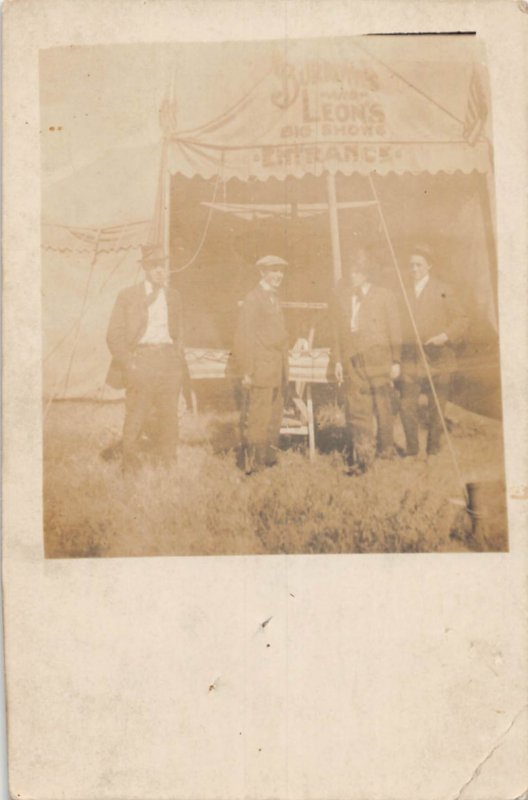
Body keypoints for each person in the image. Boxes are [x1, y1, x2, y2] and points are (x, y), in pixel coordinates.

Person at [106, 244, 185, 475]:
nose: (160, 270)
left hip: (168, 362)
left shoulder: (173, 296)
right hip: (141, 362)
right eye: (154, 266)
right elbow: (113, 335)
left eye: (163, 266)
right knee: (136, 415)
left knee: (169, 415)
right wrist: (129, 363)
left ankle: (167, 465)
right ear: (145, 269)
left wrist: (178, 362)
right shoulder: (128, 295)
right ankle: (129, 467)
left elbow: (178, 333)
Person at [331, 246, 401, 474]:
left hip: (379, 359)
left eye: (358, 271)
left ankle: (386, 451)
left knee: (383, 407)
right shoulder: (344, 298)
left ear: (367, 273)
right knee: (358, 409)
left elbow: (395, 330)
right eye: (351, 271)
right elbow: (338, 332)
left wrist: (396, 361)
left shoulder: (384, 296)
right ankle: (363, 459)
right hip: (354, 360)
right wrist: (339, 361)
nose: (352, 275)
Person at [399, 243, 469, 457]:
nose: (414, 269)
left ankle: (433, 451)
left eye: (419, 265)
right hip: (412, 359)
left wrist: (445, 336)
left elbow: (462, 319)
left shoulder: (443, 289)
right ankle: (412, 451)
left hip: (439, 358)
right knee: (406, 405)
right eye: (411, 265)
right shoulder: (403, 291)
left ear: (429, 266)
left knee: (436, 408)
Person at [234, 255, 289, 474]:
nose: (278, 275)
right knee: (259, 418)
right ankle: (255, 465)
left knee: (274, 417)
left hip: (277, 368)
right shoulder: (254, 298)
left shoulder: (273, 298)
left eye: (281, 271)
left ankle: (269, 459)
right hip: (262, 368)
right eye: (273, 271)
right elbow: (243, 336)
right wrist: (248, 370)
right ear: (262, 273)